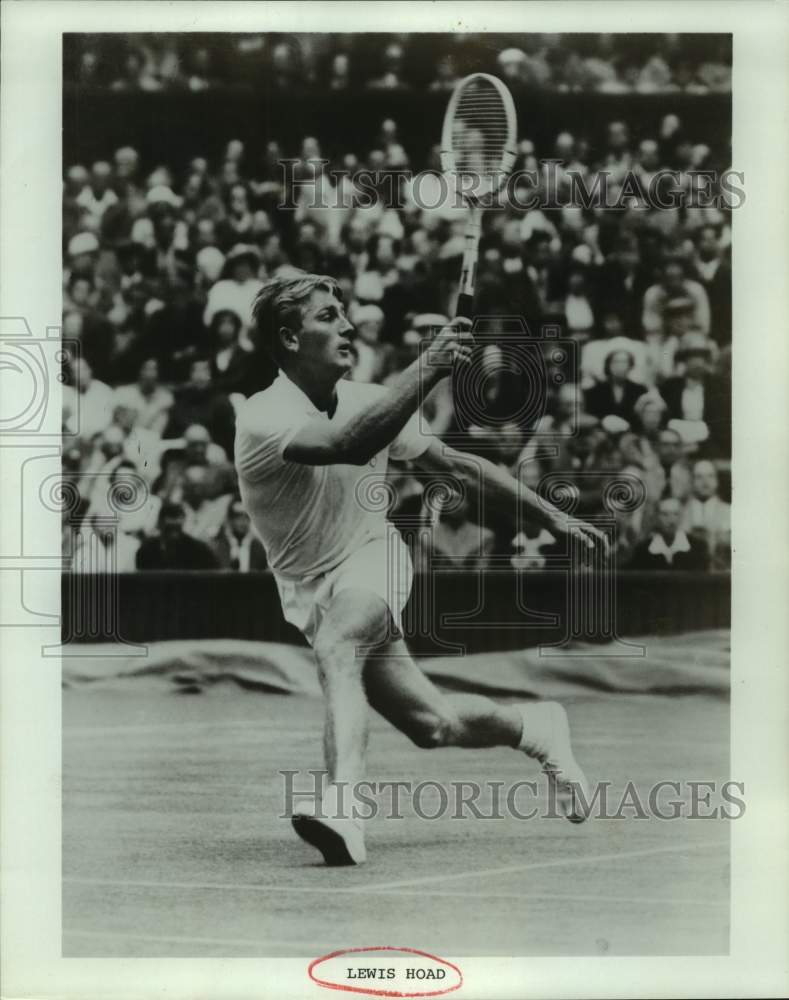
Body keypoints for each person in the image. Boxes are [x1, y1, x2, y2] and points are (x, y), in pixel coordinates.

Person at [235, 272, 608, 866]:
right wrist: (429, 367)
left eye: (343, 312)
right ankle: (537, 728)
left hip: (373, 558)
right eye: (327, 317)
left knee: (338, 646)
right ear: (287, 337)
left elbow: (457, 464)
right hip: (308, 587)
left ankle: (346, 811)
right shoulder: (262, 416)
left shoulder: (369, 399)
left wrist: (550, 516)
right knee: (431, 724)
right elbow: (345, 445)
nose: (347, 325)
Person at [629, 496, 708, 570]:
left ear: (682, 517)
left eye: (675, 514)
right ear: (656, 518)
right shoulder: (643, 551)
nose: (671, 520)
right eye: (665, 514)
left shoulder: (698, 548)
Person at [135, 501, 219, 570]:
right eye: (169, 528)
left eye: (176, 528)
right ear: (160, 524)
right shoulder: (147, 551)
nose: (173, 534)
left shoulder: (198, 550)